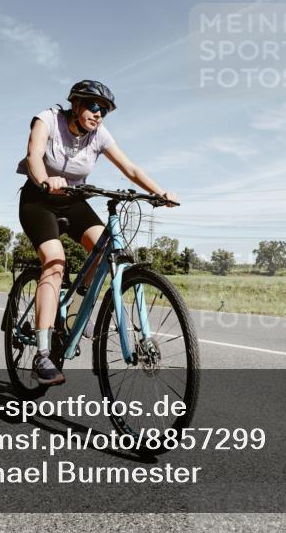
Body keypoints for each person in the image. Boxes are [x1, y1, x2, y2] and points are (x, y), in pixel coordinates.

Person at [16, 80, 178, 386]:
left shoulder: (98, 135)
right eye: (93, 105)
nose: (98, 113)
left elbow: (129, 168)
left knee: (107, 248)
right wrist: (44, 180)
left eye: (104, 109)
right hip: (39, 200)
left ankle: (76, 311)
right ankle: (42, 353)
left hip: (74, 200)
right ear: (75, 104)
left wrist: (160, 193)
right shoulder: (48, 119)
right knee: (55, 261)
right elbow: (34, 155)